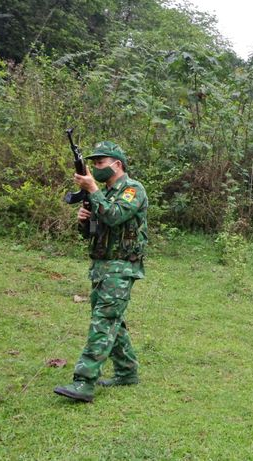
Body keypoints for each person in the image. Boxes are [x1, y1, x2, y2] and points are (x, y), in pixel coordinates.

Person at [54, 141, 148, 402]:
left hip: (121, 267)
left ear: (117, 165)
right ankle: (127, 372)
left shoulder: (133, 189)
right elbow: (95, 232)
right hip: (101, 267)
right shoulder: (103, 193)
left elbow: (116, 215)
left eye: (100, 163)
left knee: (103, 321)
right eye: (93, 163)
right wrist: (83, 221)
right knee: (110, 320)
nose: (96, 168)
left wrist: (93, 189)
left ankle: (83, 382)